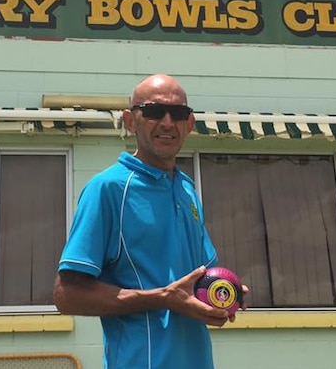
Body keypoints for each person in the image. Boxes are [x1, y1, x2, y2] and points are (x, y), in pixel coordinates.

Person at [53, 73, 248, 369]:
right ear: (130, 121)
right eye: (154, 111)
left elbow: (197, 280)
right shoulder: (108, 188)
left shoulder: (187, 190)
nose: (167, 122)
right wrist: (162, 298)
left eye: (178, 113)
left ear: (190, 124)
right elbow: (67, 295)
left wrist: (225, 293)